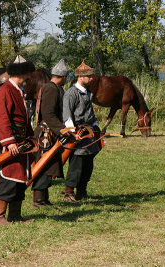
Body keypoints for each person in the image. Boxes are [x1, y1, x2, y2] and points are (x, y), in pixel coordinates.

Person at [0, 55, 36, 225]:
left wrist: (31, 136)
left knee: (20, 179)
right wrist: (9, 142)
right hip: (11, 143)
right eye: (28, 74)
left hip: (22, 142)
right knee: (8, 178)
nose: (29, 77)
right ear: (21, 73)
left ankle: (15, 216)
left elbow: (25, 119)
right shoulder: (4, 90)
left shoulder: (20, 91)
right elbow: (2, 118)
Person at [32, 59, 70, 207]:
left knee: (49, 166)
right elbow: (48, 114)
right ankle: (38, 199)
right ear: (64, 77)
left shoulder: (52, 87)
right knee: (44, 165)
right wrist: (61, 129)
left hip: (50, 132)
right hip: (46, 134)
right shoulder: (51, 88)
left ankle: (43, 198)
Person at [62, 61, 100, 202]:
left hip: (89, 132)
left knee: (88, 164)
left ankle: (82, 192)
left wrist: (96, 127)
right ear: (81, 77)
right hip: (78, 133)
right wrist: (73, 133)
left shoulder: (88, 92)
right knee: (77, 163)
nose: (91, 78)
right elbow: (67, 115)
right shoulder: (71, 93)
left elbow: (90, 113)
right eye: (89, 76)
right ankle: (69, 193)